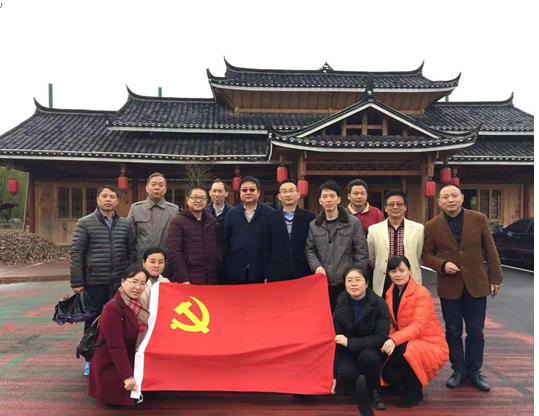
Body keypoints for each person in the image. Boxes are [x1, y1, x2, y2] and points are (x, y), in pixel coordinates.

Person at [422, 184, 503, 392]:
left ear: (462, 198)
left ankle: (474, 371)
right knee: (453, 331)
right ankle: (458, 370)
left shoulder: (478, 219)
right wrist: (442, 265)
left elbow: (490, 250)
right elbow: (427, 255)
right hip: (450, 285)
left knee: (476, 331)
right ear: (439, 202)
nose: (450, 200)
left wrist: (495, 277)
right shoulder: (432, 225)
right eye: (445, 197)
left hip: (476, 283)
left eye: (454, 196)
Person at [70, 184, 136, 376]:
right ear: (97, 200)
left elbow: (131, 252)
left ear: (117, 201)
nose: (108, 199)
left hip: (119, 283)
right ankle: (90, 359)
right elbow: (77, 253)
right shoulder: (85, 223)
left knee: (119, 321)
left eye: (112, 196)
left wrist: (130, 278)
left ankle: (117, 358)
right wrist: (77, 281)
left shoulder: (125, 225)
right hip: (94, 282)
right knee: (93, 321)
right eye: (104, 196)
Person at [381, 256, 449, 408]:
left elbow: (418, 326)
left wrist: (393, 340)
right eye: (393, 271)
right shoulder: (390, 293)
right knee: (387, 367)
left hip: (429, 341)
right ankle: (400, 384)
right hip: (406, 339)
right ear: (389, 274)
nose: (398, 275)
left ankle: (415, 392)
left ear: (410, 271)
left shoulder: (421, 292)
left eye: (402, 270)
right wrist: (389, 339)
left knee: (405, 351)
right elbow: (392, 323)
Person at [88, 266, 150, 406]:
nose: (138, 287)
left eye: (142, 283)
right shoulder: (113, 308)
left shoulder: (138, 304)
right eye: (134, 281)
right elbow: (116, 347)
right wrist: (127, 377)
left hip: (130, 359)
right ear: (123, 281)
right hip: (112, 367)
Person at [332, 268, 390, 411]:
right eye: (349, 280)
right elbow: (337, 339)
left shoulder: (380, 304)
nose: (353, 284)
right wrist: (332, 375)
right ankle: (349, 384)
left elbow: (381, 337)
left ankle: (374, 389)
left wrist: (351, 342)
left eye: (358, 280)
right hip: (348, 350)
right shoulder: (340, 304)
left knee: (369, 357)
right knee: (346, 373)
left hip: (371, 348)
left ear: (367, 283)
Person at [305, 180, 368, 311]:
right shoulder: (314, 225)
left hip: (345, 282)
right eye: (325, 196)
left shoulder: (353, 223)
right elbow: (310, 250)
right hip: (322, 281)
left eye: (332, 196)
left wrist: (355, 278)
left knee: (345, 316)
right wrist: (316, 266)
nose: (328, 199)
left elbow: (361, 253)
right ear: (320, 200)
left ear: (339, 199)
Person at [367, 190, 424, 297]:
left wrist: (406, 269)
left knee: (409, 305)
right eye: (391, 204)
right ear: (385, 208)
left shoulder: (418, 229)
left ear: (405, 207)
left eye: (399, 204)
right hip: (384, 278)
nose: (395, 207)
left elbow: (419, 256)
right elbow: (371, 257)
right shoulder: (374, 230)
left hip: (409, 276)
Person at [223, 176, 274, 284]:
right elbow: (226, 242)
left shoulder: (269, 214)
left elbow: (272, 244)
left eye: (252, 190)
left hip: (260, 271)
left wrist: (269, 273)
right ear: (240, 192)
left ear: (258, 192)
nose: (248, 193)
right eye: (244, 190)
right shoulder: (231, 214)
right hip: (236, 271)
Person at [262, 179, 316, 282]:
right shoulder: (270, 218)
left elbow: (313, 245)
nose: (288, 195)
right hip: (277, 271)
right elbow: (266, 247)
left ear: (298, 194)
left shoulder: (309, 217)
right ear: (279, 196)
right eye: (284, 191)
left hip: (303, 271)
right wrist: (265, 274)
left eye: (291, 191)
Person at [167, 187, 220, 285]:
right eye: (194, 197)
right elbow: (174, 252)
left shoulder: (212, 222)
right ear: (187, 199)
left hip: (211, 279)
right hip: (190, 278)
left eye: (202, 198)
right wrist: (183, 279)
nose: (198, 201)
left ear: (206, 201)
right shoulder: (177, 222)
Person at [127, 172, 179, 271]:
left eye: (161, 185)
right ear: (147, 188)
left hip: (165, 265)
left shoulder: (173, 210)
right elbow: (130, 239)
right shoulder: (136, 209)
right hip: (141, 264)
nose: (157, 188)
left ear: (165, 189)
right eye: (153, 184)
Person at [206, 180, 233, 283]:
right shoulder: (204, 213)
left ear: (226, 193)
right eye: (214, 191)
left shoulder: (233, 213)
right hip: (208, 260)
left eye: (220, 191)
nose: (217, 194)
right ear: (209, 193)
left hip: (227, 260)